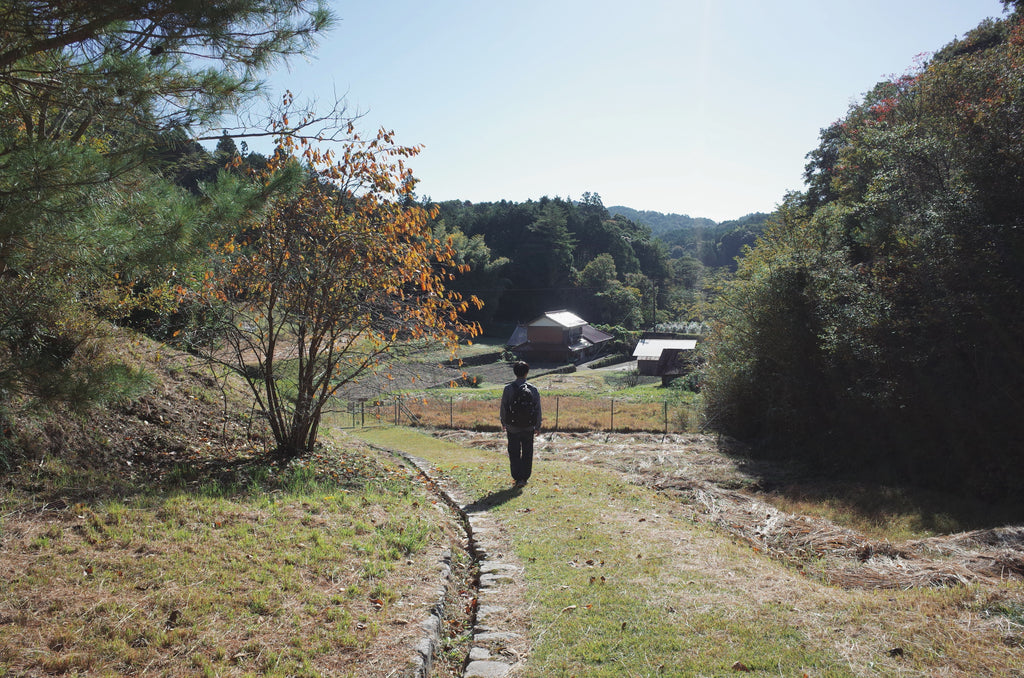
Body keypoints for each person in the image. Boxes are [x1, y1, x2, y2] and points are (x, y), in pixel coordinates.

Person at [499, 360, 542, 488]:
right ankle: (525, 477)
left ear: (515, 373)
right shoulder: (533, 389)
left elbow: (503, 407)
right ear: (526, 373)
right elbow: (538, 409)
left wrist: (504, 422)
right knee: (528, 452)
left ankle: (517, 477)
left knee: (514, 452)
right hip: (528, 426)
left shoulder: (508, 389)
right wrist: (538, 426)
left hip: (512, 427)